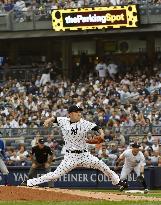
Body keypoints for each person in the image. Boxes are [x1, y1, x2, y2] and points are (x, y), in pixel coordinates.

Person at [23, 105, 126, 189]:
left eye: (79, 112)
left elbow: (97, 127)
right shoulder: (63, 120)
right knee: (55, 175)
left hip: (84, 155)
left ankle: (117, 181)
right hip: (70, 157)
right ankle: (29, 182)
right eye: (77, 112)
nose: (79, 113)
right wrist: (48, 120)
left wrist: (102, 134)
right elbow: (54, 119)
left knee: (102, 165)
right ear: (71, 114)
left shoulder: (84, 123)